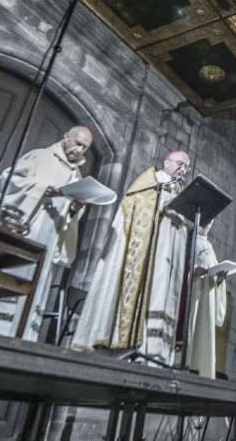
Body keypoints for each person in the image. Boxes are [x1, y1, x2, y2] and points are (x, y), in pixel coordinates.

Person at [0, 126, 92, 338]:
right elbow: (9, 180)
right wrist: (41, 189)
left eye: (85, 147)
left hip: (46, 238)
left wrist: (73, 210)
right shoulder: (40, 156)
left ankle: (19, 335)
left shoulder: (77, 177)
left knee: (31, 286)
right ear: (65, 137)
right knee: (6, 275)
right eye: (77, 143)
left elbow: (67, 217)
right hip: (22, 232)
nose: (80, 150)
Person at [71, 150, 191, 360]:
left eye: (186, 167)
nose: (183, 170)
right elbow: (132, 204)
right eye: (180, 164)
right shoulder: (150, 180)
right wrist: (162, 208)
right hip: (145, 250)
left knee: (161, 292)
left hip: (166, 255)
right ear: (167, 161)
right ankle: (127, 340)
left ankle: (155, 350)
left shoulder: (180, 190)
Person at [186, 220, 227, 379]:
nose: (208, 226)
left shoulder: (209, 246)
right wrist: (195, 272)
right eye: (206, 223)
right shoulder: (190, 239)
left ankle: (200, 369)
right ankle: (187, 363)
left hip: (208, 295)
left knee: (205, 332)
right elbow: (184, 268)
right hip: (194, 293)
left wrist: (220, 279)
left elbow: (214, 271)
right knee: (192, 325)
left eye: (211, 224)